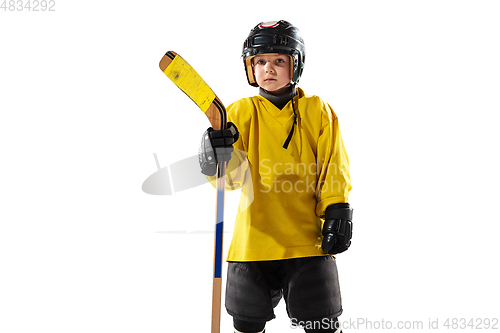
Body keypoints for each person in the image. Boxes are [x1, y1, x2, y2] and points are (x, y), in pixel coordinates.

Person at [199, 20, 353, 333]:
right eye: (260, 61)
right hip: (252, 243)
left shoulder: (317, 111)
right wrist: (214, 155)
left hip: (307, 243)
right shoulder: (239, 113)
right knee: (247, 323)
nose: (268, 68)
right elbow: (228, 181)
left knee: (321, 323)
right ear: (249, 67)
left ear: (296, 64)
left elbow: (333, 165)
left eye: (279, 61)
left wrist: (337, 209)